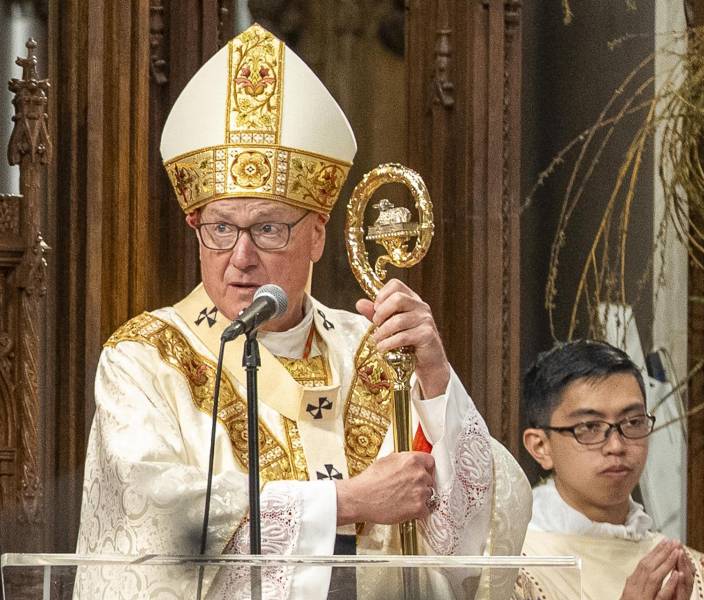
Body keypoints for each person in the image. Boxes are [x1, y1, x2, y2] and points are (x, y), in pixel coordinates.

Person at [74, 23, 529, 600]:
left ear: (317, 236)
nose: (240, 257)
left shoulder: (372, 348)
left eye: (267, 228)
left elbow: (470, 538)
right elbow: (160, 523)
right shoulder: (145, 357)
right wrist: (348, 502)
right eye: (219, 228)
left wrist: (436, 380)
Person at [514, 340, 704, 600]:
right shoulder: (505, 570)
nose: (616, 445)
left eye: (633, 422)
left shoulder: (702, 579)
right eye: (589, 427)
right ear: (540, 446)